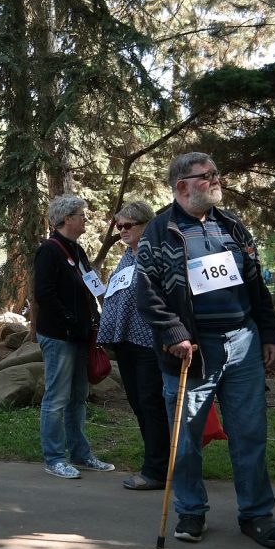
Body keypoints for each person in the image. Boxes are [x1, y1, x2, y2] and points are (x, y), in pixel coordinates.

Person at [136, 152, 275, 549]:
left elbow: (256, 285)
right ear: (182, 186)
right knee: (186, 439)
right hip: (191, 351)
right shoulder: (159, 232)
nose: (215, 179)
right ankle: (191, 511)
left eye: (215, 173)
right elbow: (147, 294)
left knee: (250, 433)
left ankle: (257, 514)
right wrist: (174, 332)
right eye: (206, 176)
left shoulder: (233, 227)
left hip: (242, 343)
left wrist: (269, 334)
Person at [33, 195, 114, 479]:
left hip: (82, 336)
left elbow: (92, 286)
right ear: (67, 219)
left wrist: (100, 317)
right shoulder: (49, 251)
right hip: (59, 337)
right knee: (56, 398)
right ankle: (54, 458)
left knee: (78, 397)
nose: (85, 219)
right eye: (81, 215)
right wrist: (69, 320)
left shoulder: (76, 251)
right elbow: (44, 294)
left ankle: (80, 454)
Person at [97, 201, 169, 490]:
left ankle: (157, 470)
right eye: (119, 226)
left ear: (146, 225)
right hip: (125, 342)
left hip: (150, 343)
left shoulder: (158, 254)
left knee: (152, 404)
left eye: (130, 225)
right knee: (139, 404)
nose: (123, 230)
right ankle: (157, 462)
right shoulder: (127, 257)